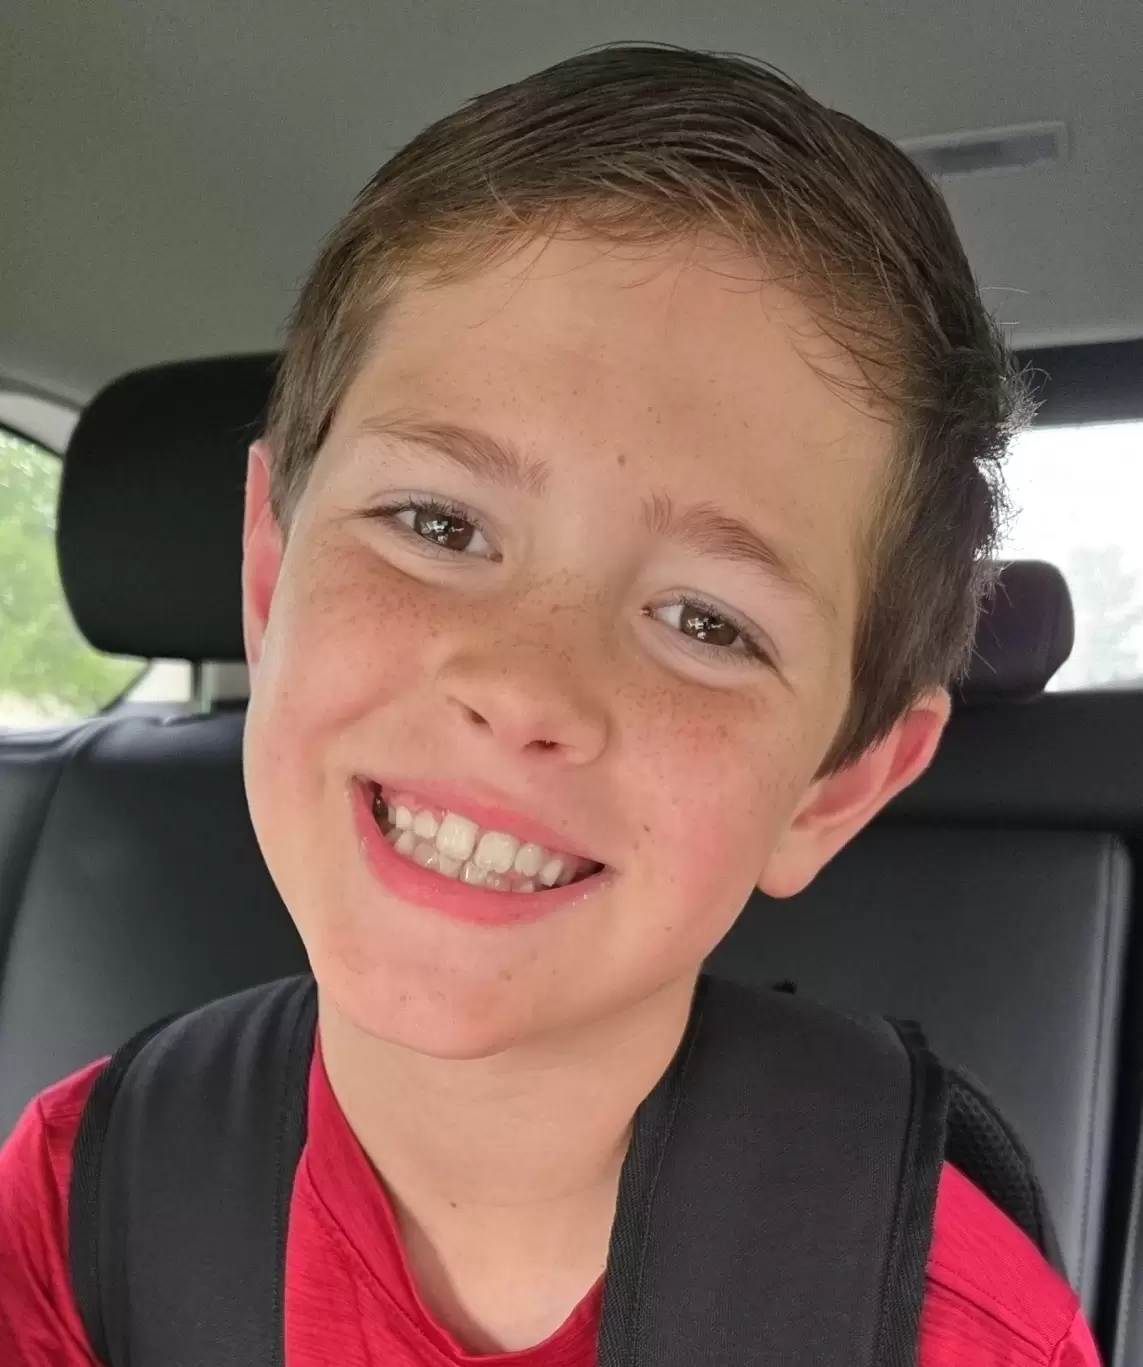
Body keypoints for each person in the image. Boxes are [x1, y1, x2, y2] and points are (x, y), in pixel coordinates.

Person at [0, 44, 1101, 1366]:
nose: (524, 685)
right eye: (436, 523)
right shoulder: (83, 1201)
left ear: (835, 785)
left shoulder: (952, 1335)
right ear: (271, 572)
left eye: (707, 622)